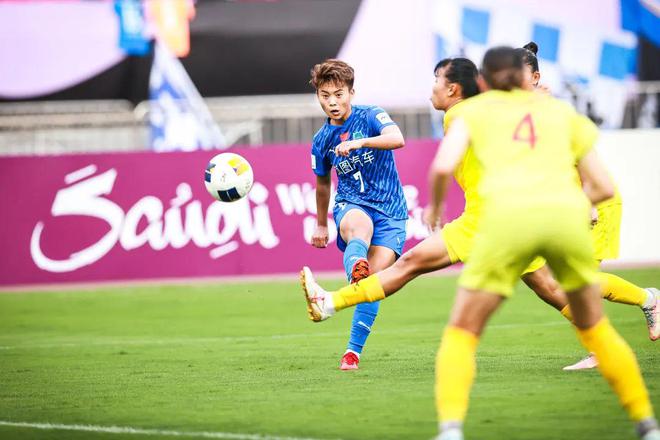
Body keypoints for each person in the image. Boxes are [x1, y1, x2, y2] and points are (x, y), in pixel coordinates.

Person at [425, 46, 658, 440]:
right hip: (562, 222)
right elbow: (602, 186)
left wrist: (434, 208)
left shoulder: (476, 113)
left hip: (510, 223)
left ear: (482, 82)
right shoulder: (561, 114)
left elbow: (443, 166)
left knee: (462, 329)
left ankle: (450, 429)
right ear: (526, 78)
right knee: (596, 328)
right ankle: (647, 425)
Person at [515, 42, 659, 370]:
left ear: (535, 77)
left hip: (594, 202)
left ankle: (647, 301)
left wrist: (588, 202)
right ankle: (627, 320)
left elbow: (577, 154)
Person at [308, 59, 408, 370]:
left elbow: (397, 139)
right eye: (325, 95)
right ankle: (356, 270)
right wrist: (322, 224)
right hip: (351, 203)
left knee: (373, 287)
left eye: (339, 94)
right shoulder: (321, 141)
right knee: (358, 227)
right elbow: (323, 184)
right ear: (318, 96)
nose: (332, 102)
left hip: (391, 211)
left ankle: (352, 353)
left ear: (351, 93)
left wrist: (360, 142)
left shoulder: (371, 115)